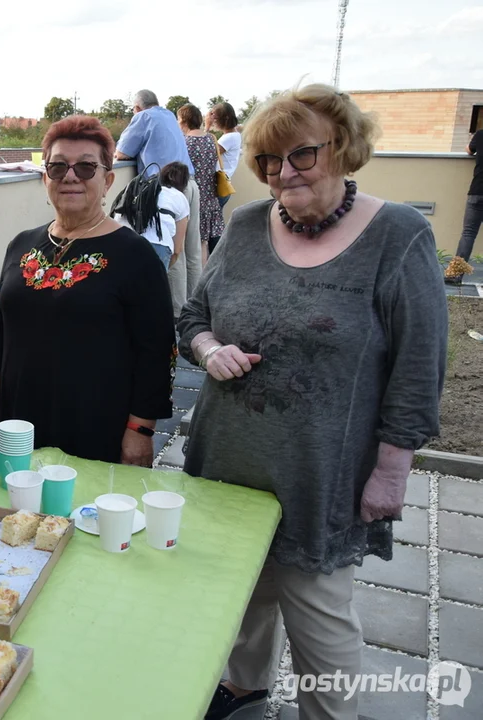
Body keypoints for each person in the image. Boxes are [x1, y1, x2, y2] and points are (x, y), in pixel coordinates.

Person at [178, 84, 447, 720]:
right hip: (229, 458)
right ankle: (244, 686)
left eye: (300, 156)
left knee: (320, 625)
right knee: (242, 595)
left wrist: (392, 469)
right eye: (268, 161)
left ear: (345, 149)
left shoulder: (399, 235)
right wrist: (209, 348)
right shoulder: (244, 226)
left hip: (320, 471)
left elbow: (420, 363)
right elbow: (194, 316)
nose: (282, 174)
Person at [0, 115, 176, 465]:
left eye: (86, 168)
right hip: (17, 420)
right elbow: (0, 330)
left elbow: (157, 351)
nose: (70, 176)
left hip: (96, 425)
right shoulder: (21, 245)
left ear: (108, 180)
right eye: (57, 167)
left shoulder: (135, 256)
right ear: (45, 179)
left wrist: (141, 430)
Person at [115, 89, 202, 318]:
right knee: (193, 252)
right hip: (190, 184)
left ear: (137, 108)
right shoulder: (169, 115)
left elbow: (122, 153)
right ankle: (197, 309)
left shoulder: (144, 117)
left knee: (176, 250)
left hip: (169, 189)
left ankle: (178, 313)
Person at [114, 161, 190, 270]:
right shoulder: (179, 197)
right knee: (152, 286)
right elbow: (177, 249)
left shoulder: (139, 188)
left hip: (123, 241)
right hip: (157, 245)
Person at [177, 103, 225, 261]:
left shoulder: (184, 143)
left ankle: (195, 282)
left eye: (179, 119)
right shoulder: (211, 140)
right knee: (204, 243)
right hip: (210, 198)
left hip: (192, 199)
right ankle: (204, 280)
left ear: (184, 121)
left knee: (189, 247)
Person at [445, 127, 482, 284]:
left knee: (468, 234)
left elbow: (468, 150)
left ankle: (454, 275)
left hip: (477, 191)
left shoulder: (481, 134)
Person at [208, 101, 242, 209]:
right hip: (224, 185)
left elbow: (206, 153)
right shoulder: (234, 134)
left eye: (215, 119)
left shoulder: (229, 138)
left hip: (219, 186)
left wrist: (207, 128)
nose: (213, 121)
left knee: (212, 222)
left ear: (225, 118)